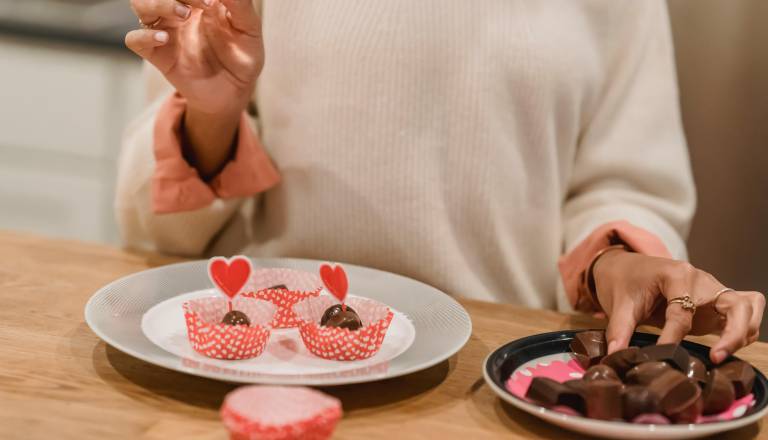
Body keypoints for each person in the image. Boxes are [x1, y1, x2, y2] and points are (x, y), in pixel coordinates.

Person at [117, 0, 764, 363]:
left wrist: (616, 261)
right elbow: (157, 230)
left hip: (499, 377)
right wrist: (212, 110)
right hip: (271, 363)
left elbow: (625, 183)